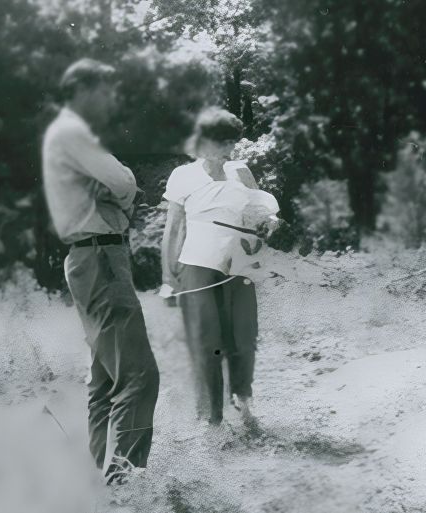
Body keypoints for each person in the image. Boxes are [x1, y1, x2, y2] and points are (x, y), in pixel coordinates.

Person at [41, 58, 159, 484]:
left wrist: (113, 195)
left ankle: (97, 481)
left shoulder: (64, 133)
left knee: (106, 380)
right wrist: (121, 198)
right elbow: (124, 181)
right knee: (139, 377)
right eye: (105, 92)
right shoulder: (74, 132)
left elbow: (112, 186)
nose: (110, 101)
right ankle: (124, 490)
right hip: (101, 258)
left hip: (89, 260)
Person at [160, 107, 279, 426]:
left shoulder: (241, 171)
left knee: (243, 337)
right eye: (220, 142)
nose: (227, 150)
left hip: (239, 265)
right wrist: (167, 278)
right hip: (197, 266)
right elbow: (173, 230)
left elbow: (258, 212)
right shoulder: (183, 176)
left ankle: (243, 405)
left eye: (231, 142)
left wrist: (270, 223)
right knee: (206, 341)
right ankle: (211, 420)